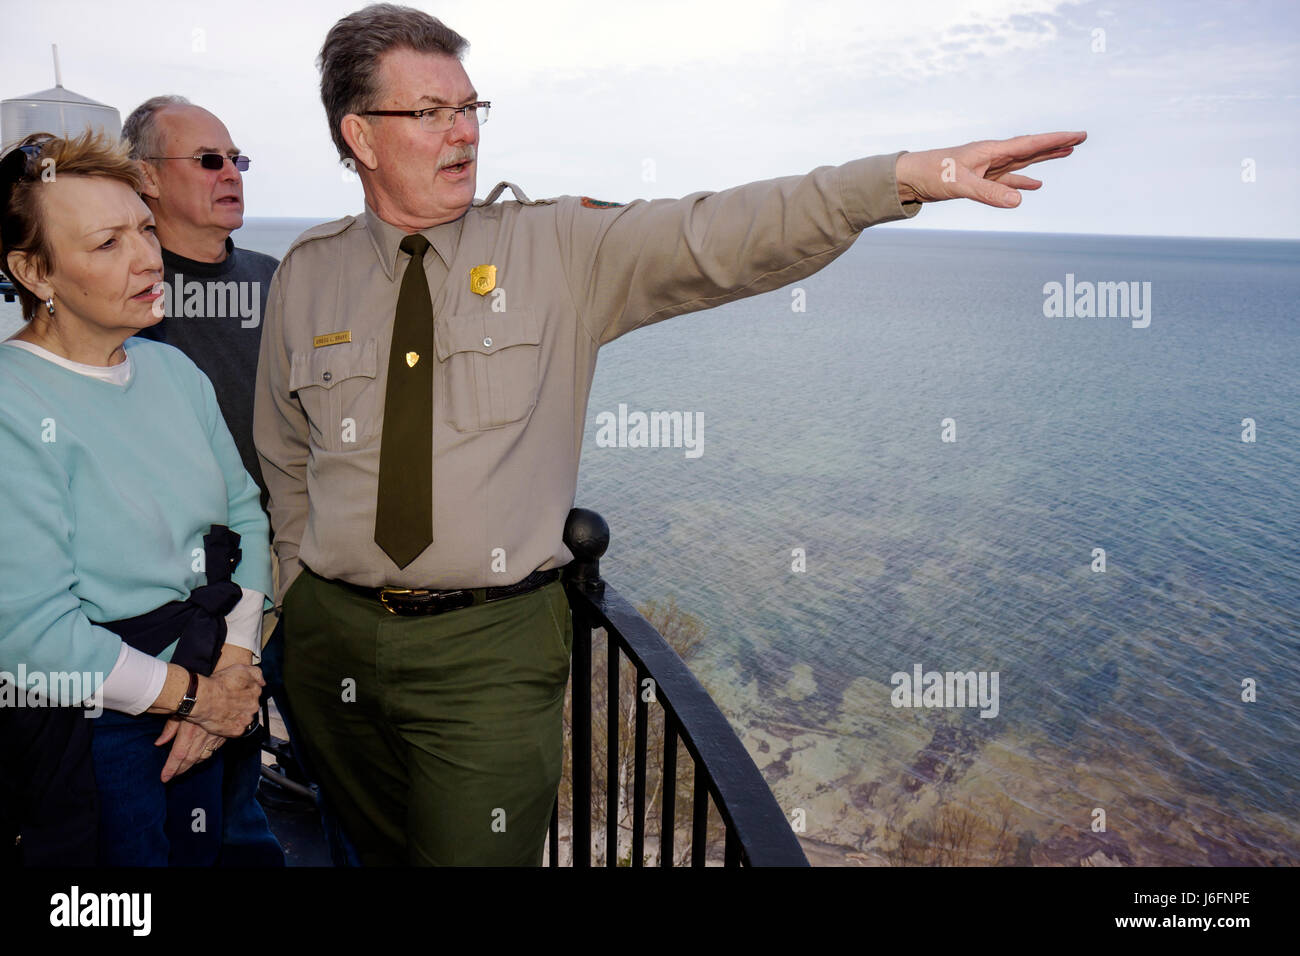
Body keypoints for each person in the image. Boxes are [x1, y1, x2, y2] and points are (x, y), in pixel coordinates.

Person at [253, 2, 1086, 866]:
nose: (463, 133)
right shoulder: (310, 275)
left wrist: (905, 175)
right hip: (330, 645)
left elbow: (717, 232)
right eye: (430, 113)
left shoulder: (560, 248)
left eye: (470, 108)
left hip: (487, 657)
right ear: (360, 134)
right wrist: (290, 603)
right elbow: (283, 453)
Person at [0, 131, 271, 866]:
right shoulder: (11, 402)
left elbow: (243, 515)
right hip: (100, 731)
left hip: (211, 668)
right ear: (34, 271)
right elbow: (32, 635)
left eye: (145, 229)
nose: (149, 259)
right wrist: (194, 699)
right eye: (107, 244)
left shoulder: (171, 367)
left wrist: (235, 667)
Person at [121, 95, 292, 866]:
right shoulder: (128, 298)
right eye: (209, 160)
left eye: (237, 160)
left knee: (244, 762)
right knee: (180, 780)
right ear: (144, 180)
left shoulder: (274, 278)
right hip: (174, 591)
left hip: (279, 566)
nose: (232, 174)